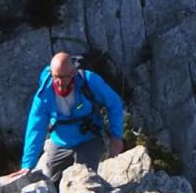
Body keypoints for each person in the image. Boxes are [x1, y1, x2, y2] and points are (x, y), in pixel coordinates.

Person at [14, 52, 125, 185]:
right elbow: (35, 127)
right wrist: (28, 164)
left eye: (63, 77)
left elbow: (114, 103)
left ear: (72, 73)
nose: (59, 82)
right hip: (61, 140)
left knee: (85, 181)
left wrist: (116, 136)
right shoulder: (44, 94)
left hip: (89, 138)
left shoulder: (89, 81)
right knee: (51, 183)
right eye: (55, 77)